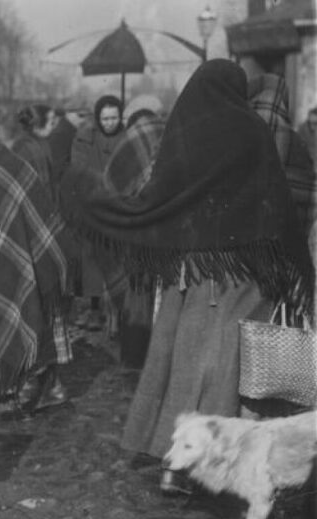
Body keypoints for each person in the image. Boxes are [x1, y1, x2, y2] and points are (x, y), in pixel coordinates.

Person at [59, 60, 314, 496]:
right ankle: (204, 469)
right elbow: (275, 204)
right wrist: (293, 269)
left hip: (188, 272)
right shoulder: (252, 130)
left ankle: (170, 462)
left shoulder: (184, 129)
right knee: (222, 369)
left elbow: (158, 199)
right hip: (241, 273)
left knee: (179, 361)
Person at [0, 118, 72, 418]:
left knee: (1, 318)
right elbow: (42, 214)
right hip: (34, 262)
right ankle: (50, 386)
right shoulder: (18, 165)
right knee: (37, 320)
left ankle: (8, 392)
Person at [101, 93, 166, 369]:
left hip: (133, 232)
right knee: (162, 298)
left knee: (136, 294)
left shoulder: (125, 144)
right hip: (166, 230)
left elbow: (110, 190)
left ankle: (133, 356)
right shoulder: (171, 135)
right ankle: (160, 356)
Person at [70, 94, 124, 333]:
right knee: (91, 261)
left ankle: (117, 312)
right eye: (105, 118)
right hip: (94, 207)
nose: (110, 122)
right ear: (98, 118)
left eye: (114, 118)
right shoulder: (88, 138)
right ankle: (94, 309)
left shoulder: (126, 138)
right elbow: (81, 170)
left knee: (117, 263)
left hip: (118, 209)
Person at [248, 73, 316, 233]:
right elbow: (309, 197)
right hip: (286, 241)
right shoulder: (297, 140)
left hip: (245, 243)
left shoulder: (237, 135)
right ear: (284, 101)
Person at [11, 104, 56, 194]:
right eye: (51, 122)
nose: (53, 126)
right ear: (37, 125)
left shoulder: (40, 143)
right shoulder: (28, 148)